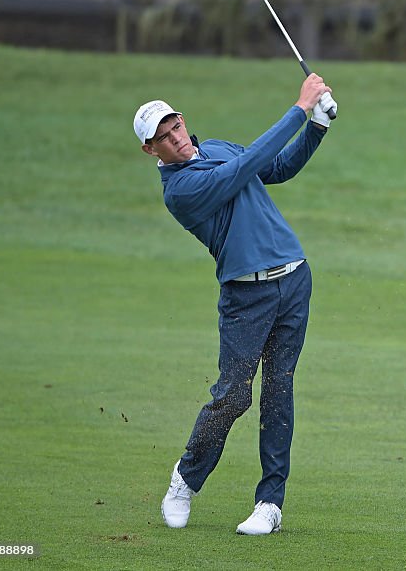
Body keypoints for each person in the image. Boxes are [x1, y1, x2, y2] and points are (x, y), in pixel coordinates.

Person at [133, 73, 337, 534]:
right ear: (151, 151)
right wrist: (300, 108)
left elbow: (276, 167)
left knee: (279, 391)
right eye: (161, 139)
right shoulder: (180, 192)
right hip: (246, 294)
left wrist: (316, 129)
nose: (174, 140)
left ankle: (270, 504)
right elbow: (242, 173)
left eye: (174, 127)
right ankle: (185, 480)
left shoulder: (219, 147)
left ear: (183, 122)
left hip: (294, 279)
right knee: (232, 396)